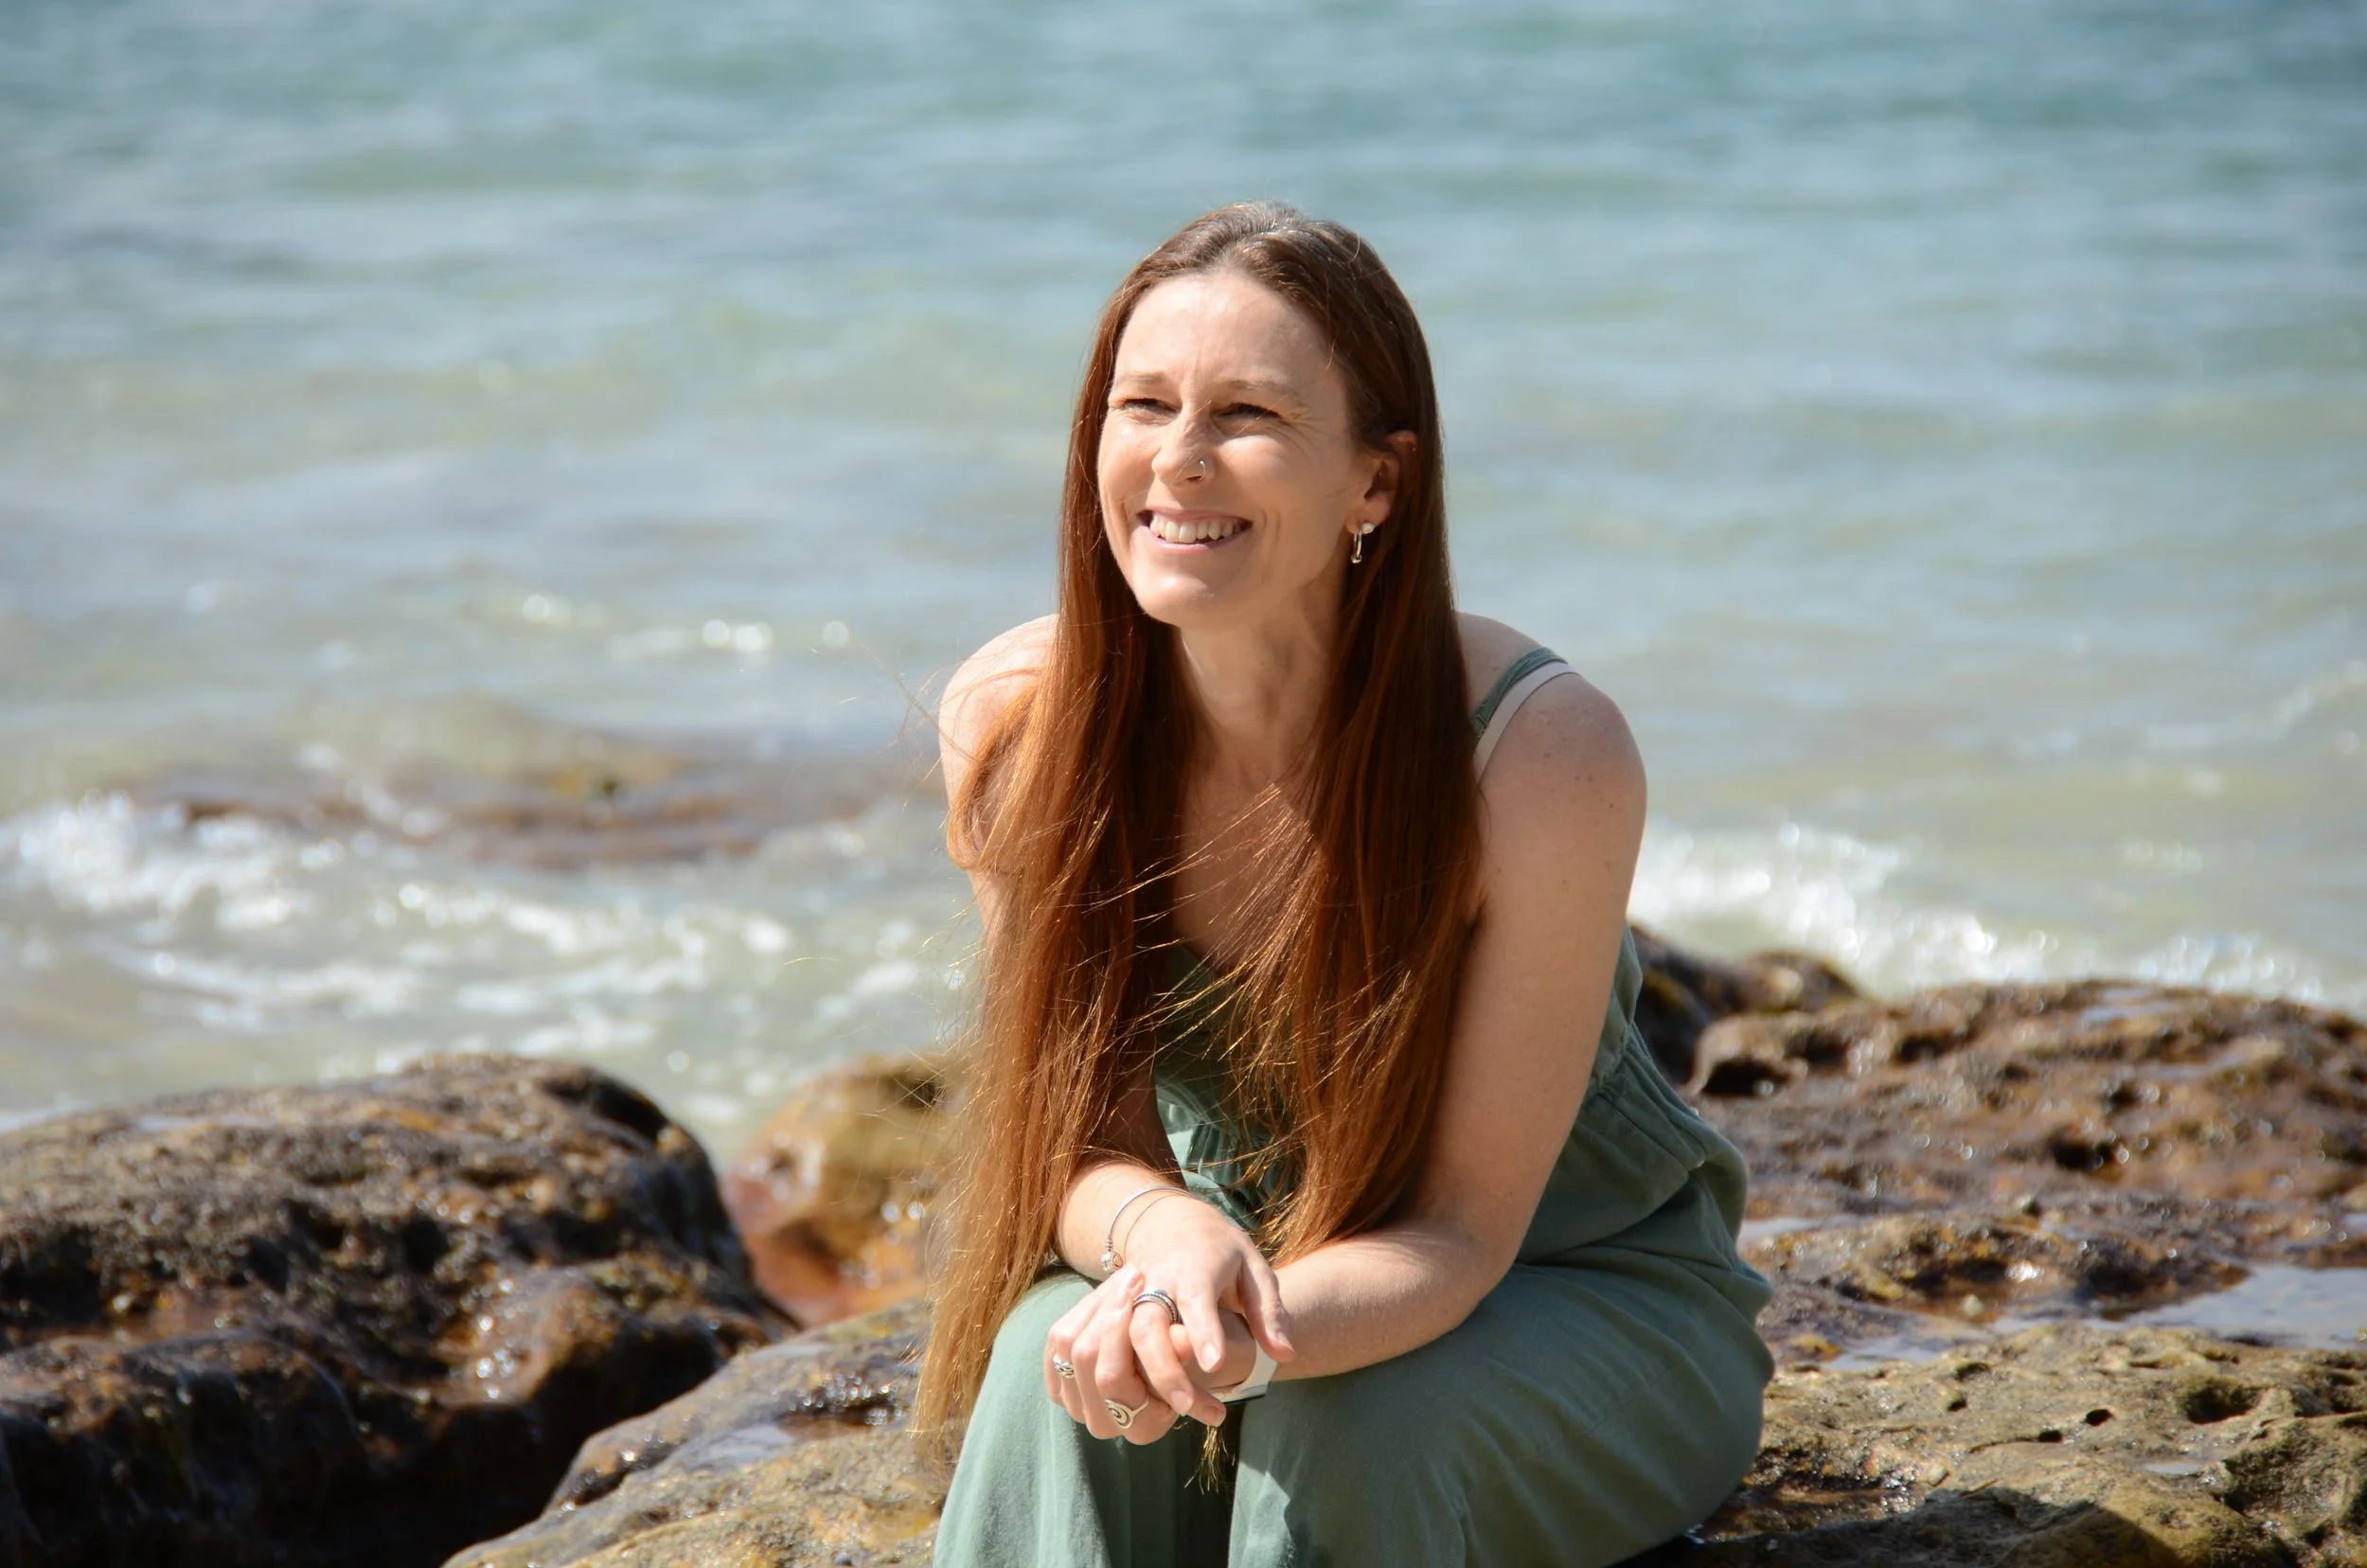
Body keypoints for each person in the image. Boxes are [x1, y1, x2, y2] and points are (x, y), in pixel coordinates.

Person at [918, 201, 1773, 1568]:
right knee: (1048, 1384)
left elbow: (1459, 1230)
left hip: (1569, 1292)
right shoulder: (1020, 725)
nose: (1180, 461)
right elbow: (1076, 1143)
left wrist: (1241, 1345)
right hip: (1211, 1272)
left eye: (1247, 416)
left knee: (1339, 1427)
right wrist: (1169, 1241)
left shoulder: (1538, 753)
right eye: (1144, 405)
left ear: (1377, 483)